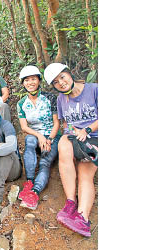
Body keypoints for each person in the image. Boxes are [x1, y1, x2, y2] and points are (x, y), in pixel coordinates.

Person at [44, 63, 98, 237]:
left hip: (95, 138)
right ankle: (70, 202)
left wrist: (87, 130)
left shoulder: (94, 89)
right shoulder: (61, 99)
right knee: (64, 141)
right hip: (76, 138)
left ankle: (82, 218)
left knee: (85, 174)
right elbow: (65, 124)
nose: (61, 82)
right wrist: (73, 132)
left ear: (69, 73)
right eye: (55, 82)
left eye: (62, 76)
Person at [16, 66, 60, 210]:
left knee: (45, 161)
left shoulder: (50, 98)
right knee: (29, 141)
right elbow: (24, 127)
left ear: (39, 81)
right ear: (23, 83)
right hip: (35, 135)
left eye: (33, 79)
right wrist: (40, 136)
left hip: (52, 135)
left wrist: (49, 139)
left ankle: (35, 192)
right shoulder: (21, 103)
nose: (30, 82)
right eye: (27, 80)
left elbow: (56, 123)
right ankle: (29, 182)